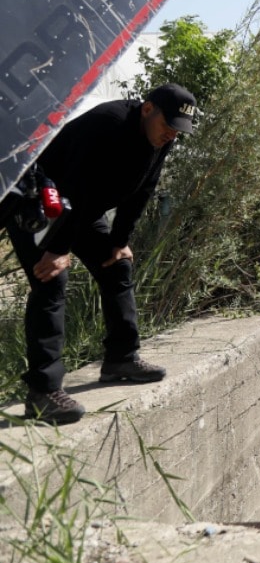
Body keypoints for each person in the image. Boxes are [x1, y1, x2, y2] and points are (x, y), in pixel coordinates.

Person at [5, 83, 197, 424]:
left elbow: (144, 189)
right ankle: (43, 392)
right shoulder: (107, 124)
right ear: (148, 109)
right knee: (52, 280)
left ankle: (121, 357)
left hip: (81, 209)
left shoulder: (162, 136)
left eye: (178, 130)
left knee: (116, 265)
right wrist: (58, 250)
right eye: (168, 125)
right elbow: (76, 185)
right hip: (37, 202)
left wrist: (119, 240)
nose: (172, 135)